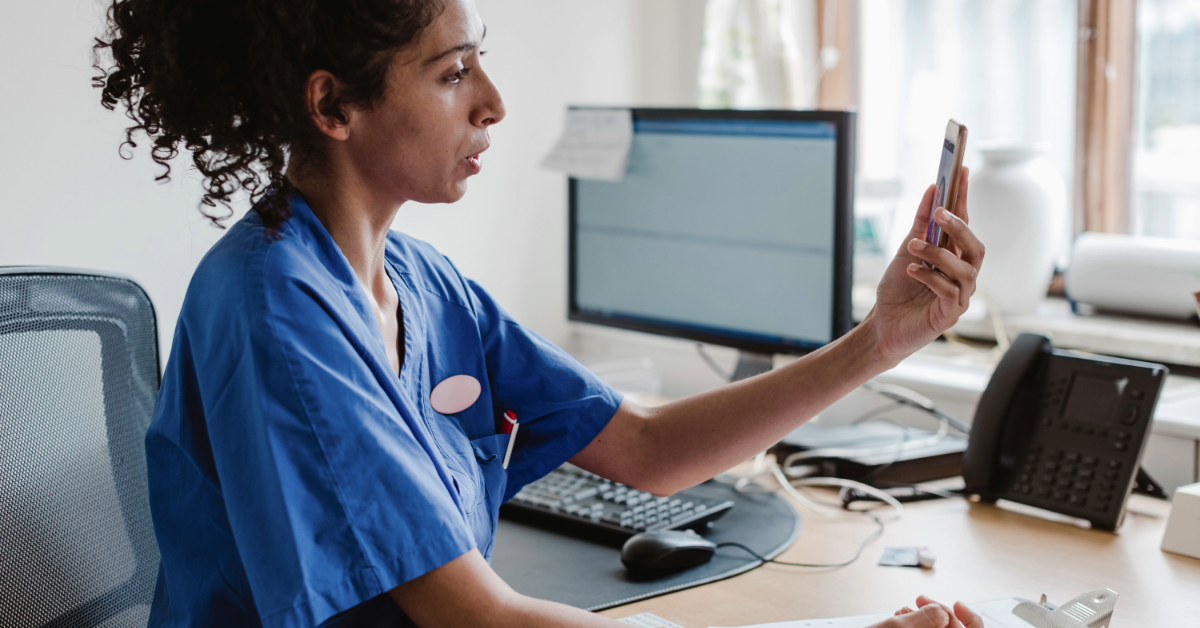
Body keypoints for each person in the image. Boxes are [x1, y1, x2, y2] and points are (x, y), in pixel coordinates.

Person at [93, 1, 986, 626]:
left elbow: (646, 448)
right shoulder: (275, 311)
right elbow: (480, 621)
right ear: (333, 105)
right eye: (454, 72)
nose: (494, 101)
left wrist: (881, 341)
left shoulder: (420, 281)